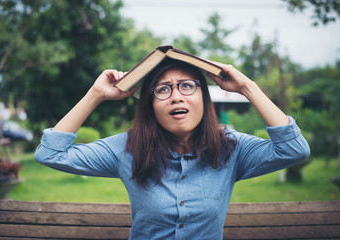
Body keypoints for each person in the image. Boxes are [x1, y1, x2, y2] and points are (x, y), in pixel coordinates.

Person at [34, 58, 310, 240]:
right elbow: (50, 153)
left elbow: (294, 149)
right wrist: (96, 95)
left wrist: (247, 87)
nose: (176, 95)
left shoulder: (231, 148)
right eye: (163, 90)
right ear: (150, 106)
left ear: (204, 96)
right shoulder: (126, 148)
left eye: (187, 86)